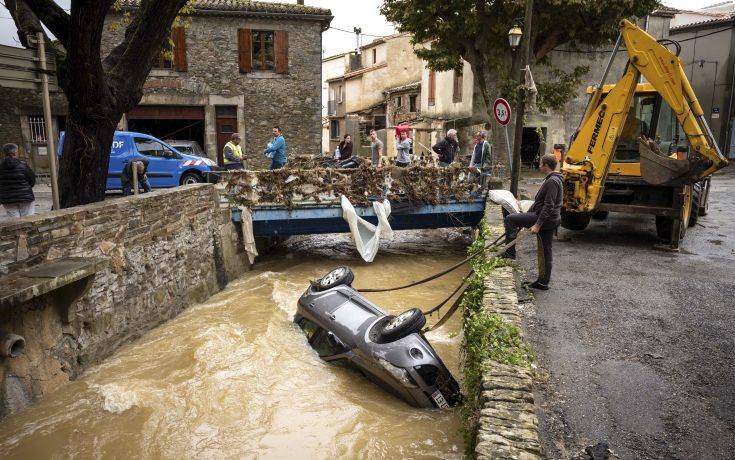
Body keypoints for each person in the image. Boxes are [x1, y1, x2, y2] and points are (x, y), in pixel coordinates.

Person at [501, 154, 563, 290]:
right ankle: (543, 282)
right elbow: (539, 203)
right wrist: (526, 215)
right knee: (546, 251)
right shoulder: (554, 179)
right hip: (550, 219)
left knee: (510, 219)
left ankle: (510, 253)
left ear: (546, 166)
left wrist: (537, 224)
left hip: (546, 219)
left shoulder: (552, 181)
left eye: (540, 163)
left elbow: (549, 206)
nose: (539, 165)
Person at [0, 143, 36, 217]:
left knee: (15, 222)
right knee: (28, 220)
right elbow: (32, 180)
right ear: (15, 153)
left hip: (7, 199)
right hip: (25, 197)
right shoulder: (23, 165)